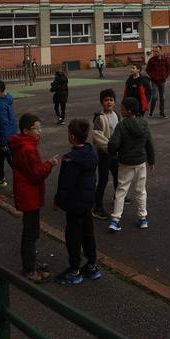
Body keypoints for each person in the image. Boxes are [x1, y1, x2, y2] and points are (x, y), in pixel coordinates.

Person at [10, 113, 61, 282]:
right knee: (31, 233)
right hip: (29, 195)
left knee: (31, 231)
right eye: (36, 128)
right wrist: (50, 164)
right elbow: (37, 174)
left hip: (28, 194)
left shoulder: (25, 144)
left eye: (40, 127)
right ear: (25, 131)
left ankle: (31, 261)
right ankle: (29, 269)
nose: (40, 131)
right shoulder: (27, 149)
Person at [53, 118, 102, 285]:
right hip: (88, 200)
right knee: (88, 233)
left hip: (74, 204)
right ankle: (92, 264)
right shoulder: (91, 153)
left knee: (73, 236)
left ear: (72, 136)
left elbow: (65, 185)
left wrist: (58, 201)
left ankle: (74, 269)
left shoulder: (70, 160)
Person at [107, 98, 155, 232]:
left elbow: (114, 144)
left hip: (126, 162)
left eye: (122, 108)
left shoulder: (122, 125)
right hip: (140, 162)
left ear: (127, 111)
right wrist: (151, 160)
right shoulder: (144, 124)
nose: (120, 110)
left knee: (121, 190)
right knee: (141, 190)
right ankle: (143, 218)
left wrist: (112, 153)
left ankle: (115, 219)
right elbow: (149, 143)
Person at [90, 89, 120, 219]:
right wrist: (109, 148)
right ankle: (97, 207)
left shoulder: (117, 115)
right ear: (102, 102)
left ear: (114, 102)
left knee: (118, 176)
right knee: (103, 180)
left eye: (111, 100)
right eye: (106, 100)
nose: (109, 102)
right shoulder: (100, 118)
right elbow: (97, 137)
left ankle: (118, 197)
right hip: (104, 154)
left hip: (115, 153)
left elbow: (120, 132)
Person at [145, 45, 170, 118]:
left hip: (162, 81)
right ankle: (151, 112)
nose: (156, 53)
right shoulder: (152, 60)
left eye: (157, 51)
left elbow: (169, 69)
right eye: (155, 51)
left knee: (162, 98)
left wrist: (165, 76)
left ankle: (162, 113)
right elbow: (147, 70)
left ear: (161, 51)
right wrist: (152, 76)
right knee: (154, 97)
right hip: (154, 81)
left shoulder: (165, 59)